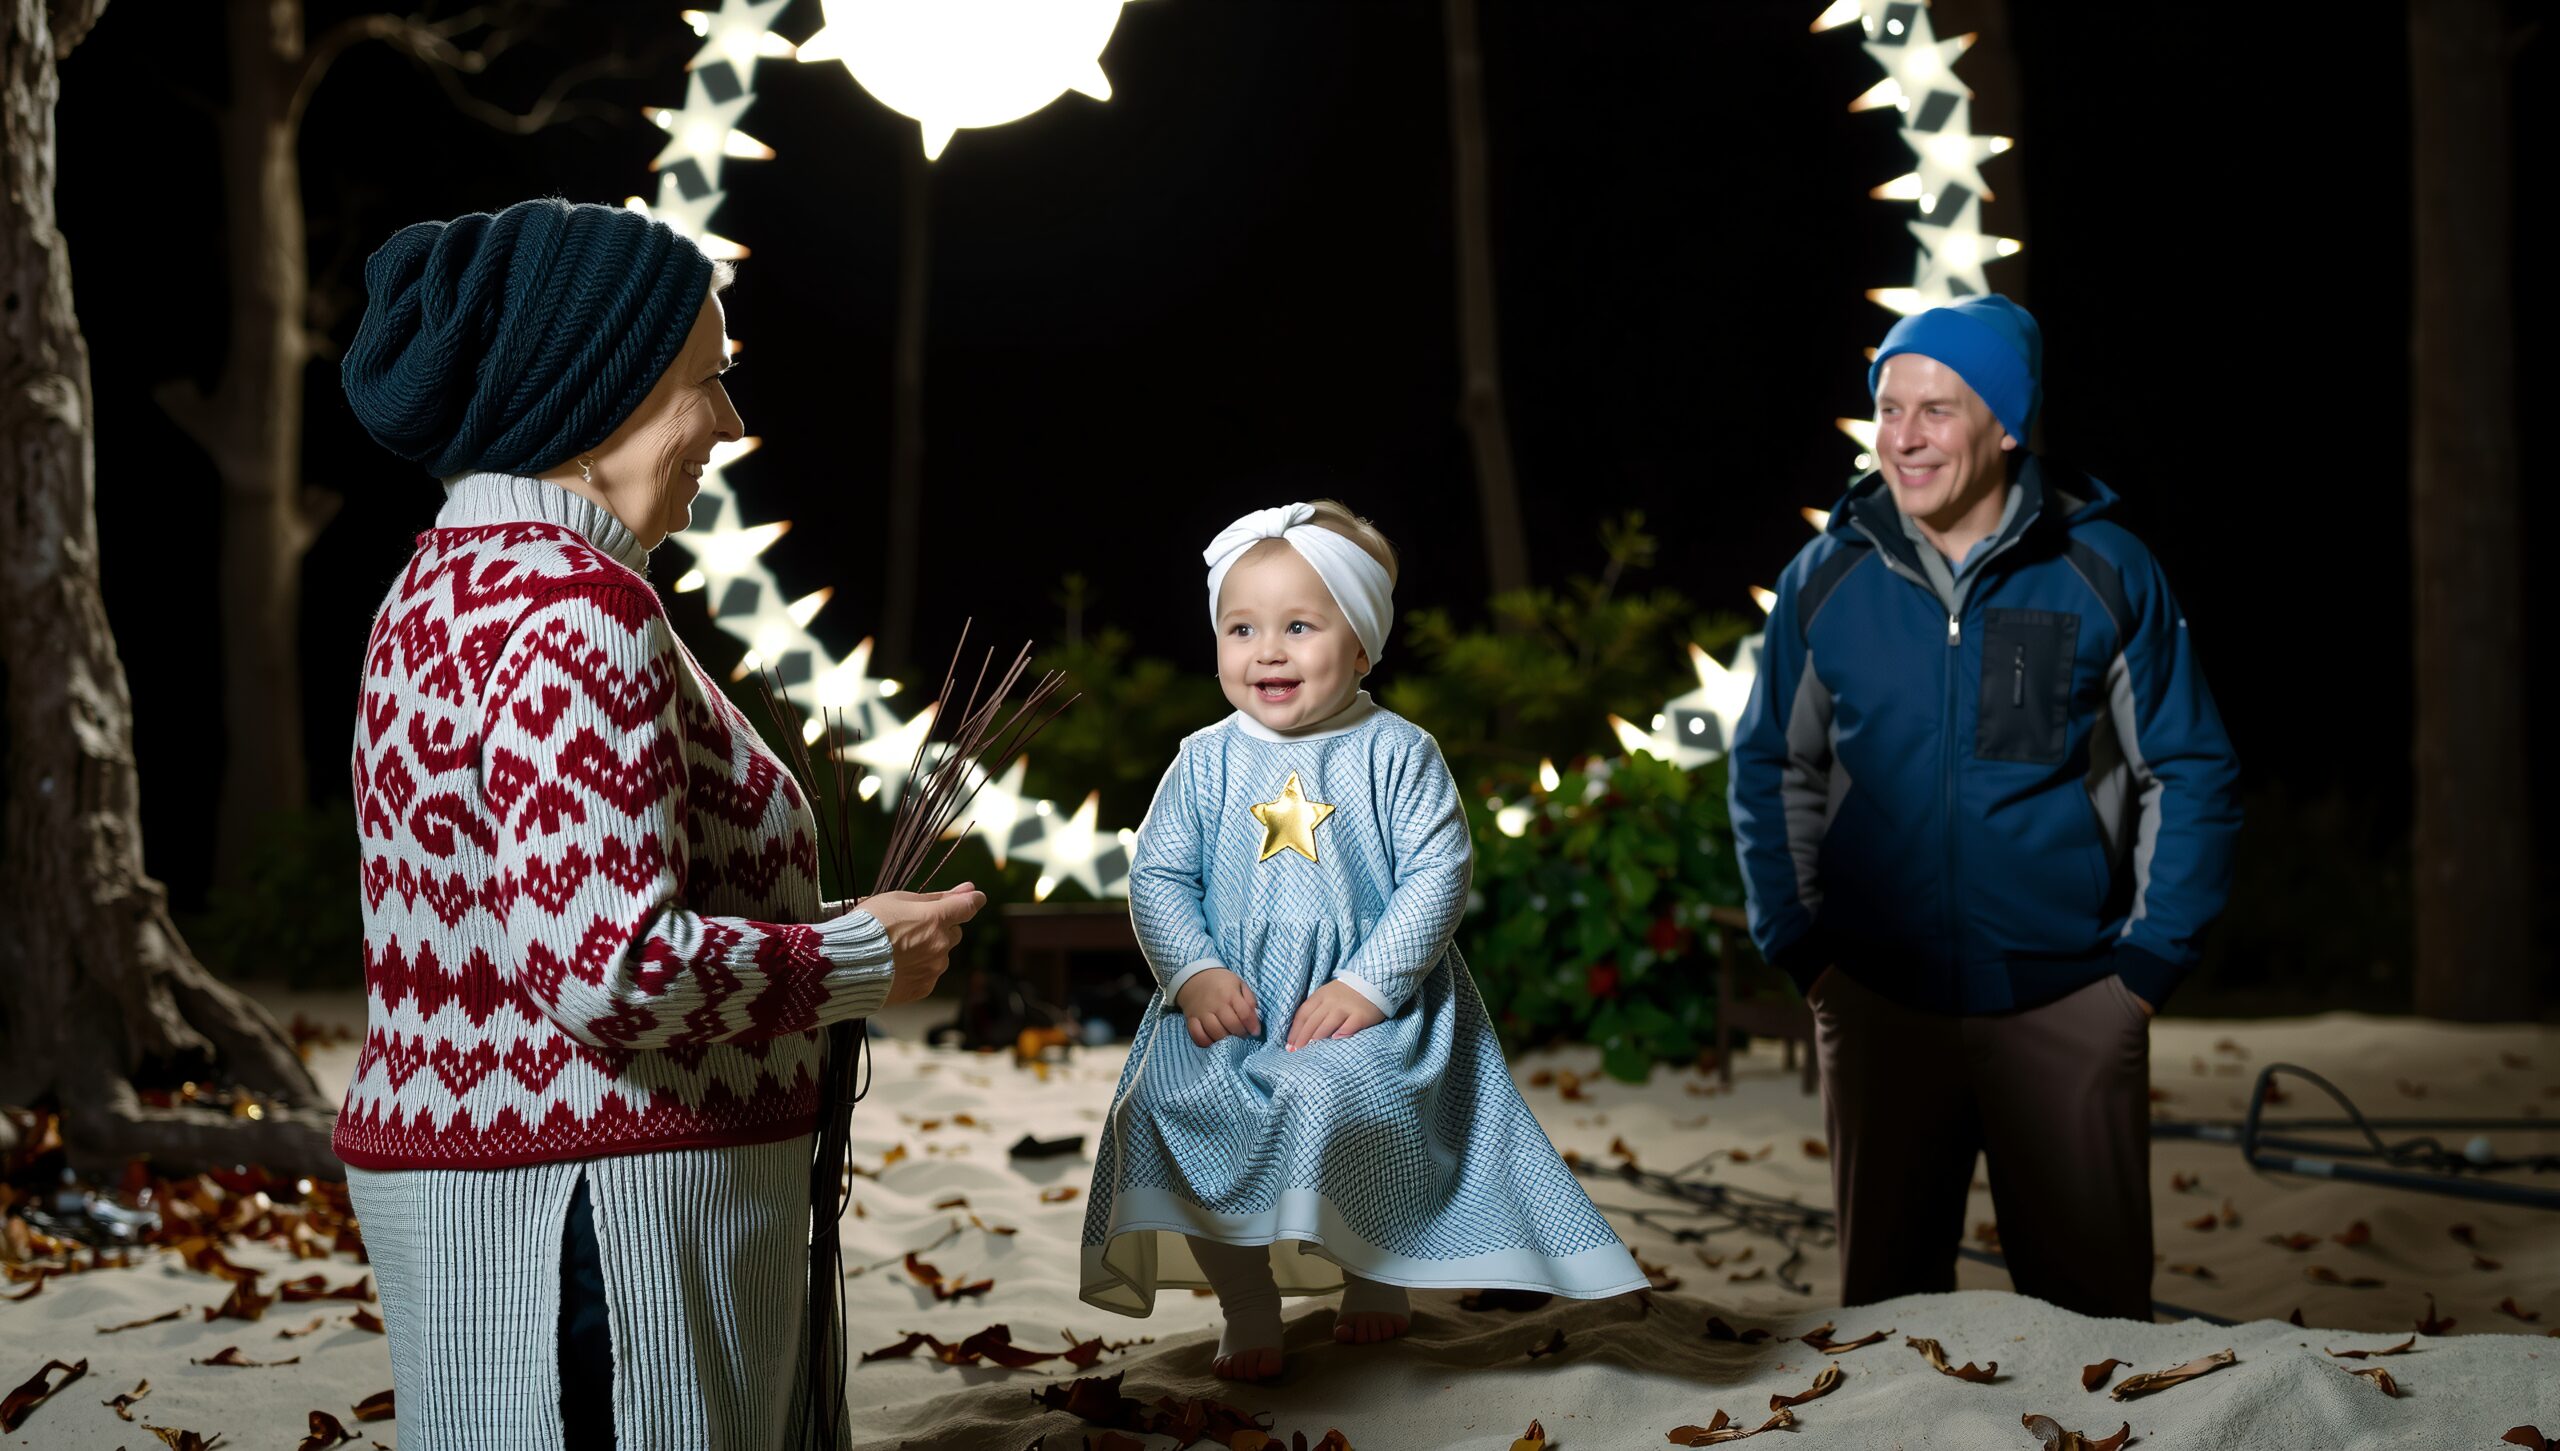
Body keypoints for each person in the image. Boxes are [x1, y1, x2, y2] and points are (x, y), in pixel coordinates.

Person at [331, 197, 986, 1448]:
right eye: (707, 381)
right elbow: (609, 969)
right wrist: (859, 960)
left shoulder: (432, 589)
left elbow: (537, 923)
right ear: (602, 393)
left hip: (507, 1193)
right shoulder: (577, 617)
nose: (731, 425)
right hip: (595, 1226)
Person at [1727, 294, 2241, 1322]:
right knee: (1884, 1333)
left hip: (2067, 1006)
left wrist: (2141, 971)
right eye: (1888, 406)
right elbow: (1770, 765)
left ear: (2005, 425)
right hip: (1878, 1005)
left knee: (2096, 1330)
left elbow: (2190, 770)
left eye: (1937, 410)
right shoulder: (1825, 576)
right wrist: (1804, 950)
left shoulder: (2104, 569)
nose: (1903, 439)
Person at [1078, 500, 1645, 1381]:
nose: (1267, 649)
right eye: (1242, 627)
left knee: (1338, 1098)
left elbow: (1436, 874)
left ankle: (1372, 1272)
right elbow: (1156, 876)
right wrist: (1193, 974)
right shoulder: (1204, 759)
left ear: (1364, 646)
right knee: (1161, 1106)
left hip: (1366, 1008)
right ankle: (1248, 1298)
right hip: (1237, 999)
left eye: (1299, 626)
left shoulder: (1397, 751)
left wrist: (1369, 985)